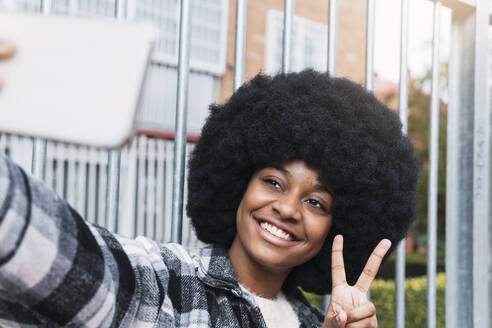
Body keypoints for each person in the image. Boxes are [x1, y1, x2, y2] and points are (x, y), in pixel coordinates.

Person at [0, 64, 418, 326]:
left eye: (316, 202)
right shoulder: (165, 285)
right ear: (239, 182)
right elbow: (55, 251)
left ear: (336, 227)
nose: (288, 208)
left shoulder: (319, 322)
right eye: (273, 181)